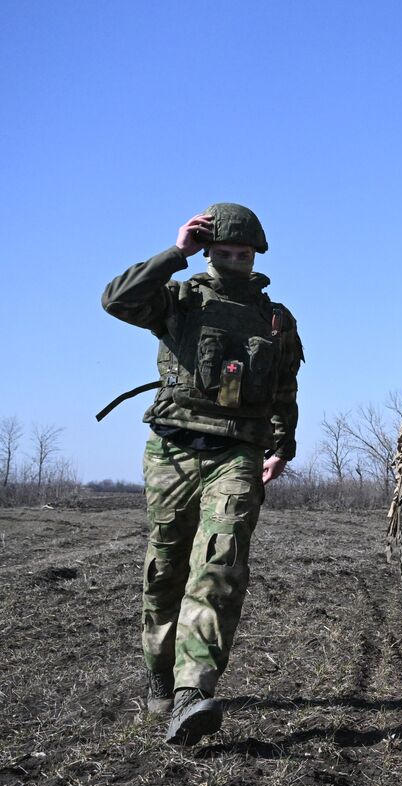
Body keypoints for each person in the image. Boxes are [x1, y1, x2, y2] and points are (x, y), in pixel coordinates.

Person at [101, 204, 303, 746]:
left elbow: (284, 390)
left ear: (256, 254)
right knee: (166, 568)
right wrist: (175, 253)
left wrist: (281, 446)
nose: (234, 261)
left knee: (220, 565)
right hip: (171, 451)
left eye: (244, 253)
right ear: (208, 251)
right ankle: (160, 680)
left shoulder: (276, 319)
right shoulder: (179, 300)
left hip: (237, 453)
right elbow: (116, 300)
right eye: (223, 252)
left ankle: (194, 691)